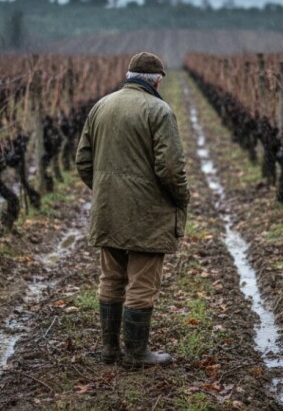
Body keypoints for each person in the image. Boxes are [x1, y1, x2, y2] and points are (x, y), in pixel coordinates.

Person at [75, 52, 189, 367]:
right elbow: (170, 168)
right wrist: (181, 199)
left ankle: (109, 351)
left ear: (129, 76)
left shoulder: (101, 105)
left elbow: (83, 161)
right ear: (157, 80)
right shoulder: (159, 111)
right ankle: (137, 354)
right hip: (147, 216)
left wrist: (105, 192)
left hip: (108, 209)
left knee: (111, 278)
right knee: (142, 282)